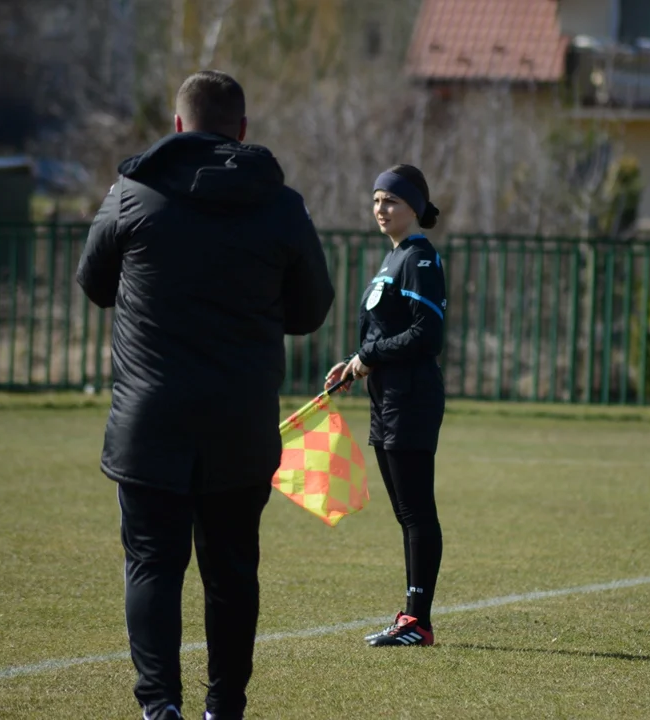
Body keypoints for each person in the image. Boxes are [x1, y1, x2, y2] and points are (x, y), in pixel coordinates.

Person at [77, 70, 334, 720]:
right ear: (242, 130)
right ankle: (225, 708)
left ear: (177, 126)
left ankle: (159, 707)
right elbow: (311, 310)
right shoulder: (281, 206)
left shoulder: (133, 194)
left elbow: (94, 282)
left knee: (152, 567)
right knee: (231, 573)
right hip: (238, 424)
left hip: (150, 418)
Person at [324, 164, 447, 648]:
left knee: (417, 512)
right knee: (406, 513)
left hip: (410, 398)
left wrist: (368, 358)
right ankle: (412, 618)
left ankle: (419, 621)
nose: (381, 209)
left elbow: (426, 334)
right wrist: (355, 363)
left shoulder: (419, 257)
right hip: (388, 400)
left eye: (391, 201)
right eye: (376, 200)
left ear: (413, 207)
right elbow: (383, 336)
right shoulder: (392, 259)